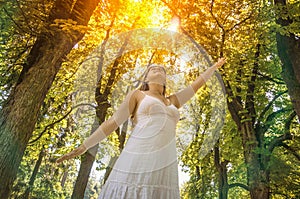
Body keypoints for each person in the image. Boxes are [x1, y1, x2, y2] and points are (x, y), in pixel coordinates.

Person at [56, 57, 226, 199]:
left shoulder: (172, 101)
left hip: (165, 164)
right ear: (146, 78)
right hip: (138, 158)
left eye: (162, 70)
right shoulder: (138, 95)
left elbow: (195, 86)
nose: (158, 70)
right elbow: (113, 122)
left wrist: (214, 67)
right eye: (153, 69)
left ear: (166, 79)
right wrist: (84, 146)